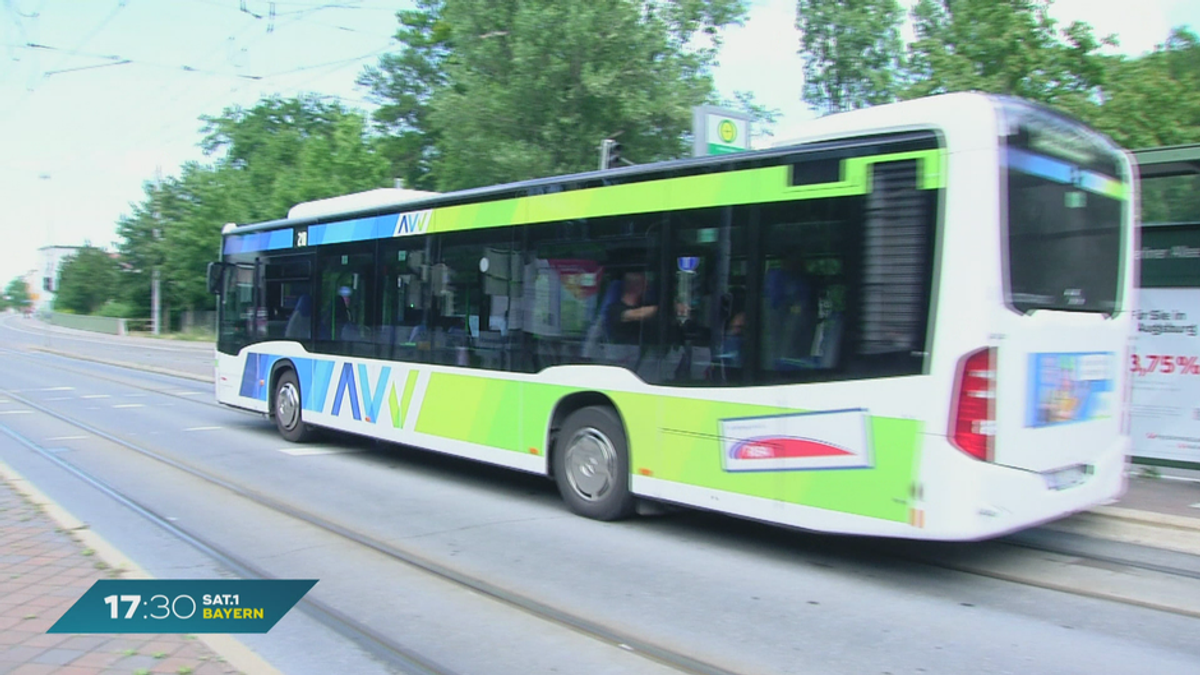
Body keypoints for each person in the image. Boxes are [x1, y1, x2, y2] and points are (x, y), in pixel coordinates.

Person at [604, 271, 658, 343]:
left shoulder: (646, 305)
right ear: (636, 287)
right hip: (621, 351)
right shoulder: (614, 310)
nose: (648, 289)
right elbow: (633, 314)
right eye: (645, 286)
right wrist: (664, 308)